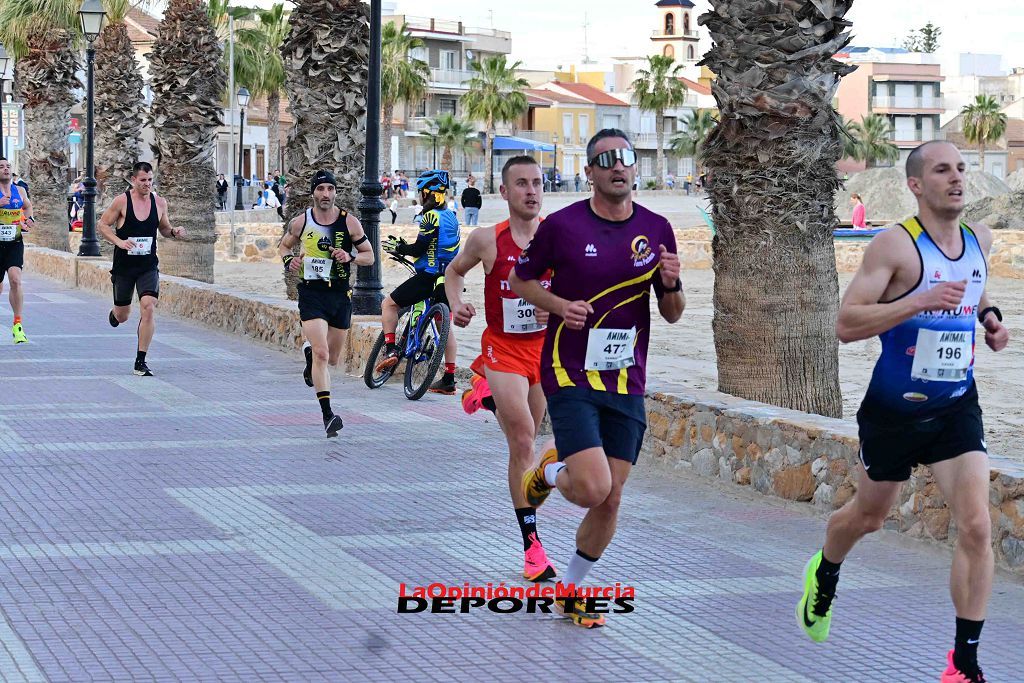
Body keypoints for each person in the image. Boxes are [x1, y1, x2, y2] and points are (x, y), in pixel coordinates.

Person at [796, 141, 1009, 683]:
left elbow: (977, 294)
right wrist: (918, 301)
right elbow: (846, 324)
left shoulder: (980, 240)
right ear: (916, 185)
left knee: (978, 526)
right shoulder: (895, 246)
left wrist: (991, 320)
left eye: (961, 169)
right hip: (893, 410)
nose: (957, 178)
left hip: (956, 406)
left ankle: (963, 663)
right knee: (868, 518)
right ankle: (826, 570)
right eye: (943, 170)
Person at [510, 129, 685, 628]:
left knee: (610, 497)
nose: (618, 166)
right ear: (589, 173)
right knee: (589, 488)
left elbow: (672, 313)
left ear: (635, 168)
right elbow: (522, 280)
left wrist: (670, 283)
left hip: (626, 379)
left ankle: (569, 589)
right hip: (569, 372)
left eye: (626, 158)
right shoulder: (563, 227)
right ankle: (548, 473)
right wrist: (560, 306)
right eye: (605, 160)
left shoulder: (657, 229)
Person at [446, 155, 556, 582]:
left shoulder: (557, 236)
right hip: (503, 350)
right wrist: (457, 304)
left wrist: (558, 310)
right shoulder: (486, 240)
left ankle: (484, 395)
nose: (531, 190)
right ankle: (532, 547)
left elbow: (583, 288)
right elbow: (453, 275)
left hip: (544, 352)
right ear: (504, 192)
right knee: (525, 437)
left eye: (537, 183)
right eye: (522, 184)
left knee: (527, 442)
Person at [280, 170, 374, 437]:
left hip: (340, 295)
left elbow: (370, 257)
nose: (325, 194)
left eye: (330, 189)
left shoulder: (350, 222)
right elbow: (284, 247)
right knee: (322, 353)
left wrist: (350, 256)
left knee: (331, 358)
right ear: (313, 192)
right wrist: (290, 261)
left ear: (335, 192)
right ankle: (328, 415)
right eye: (320, 189)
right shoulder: (301, 222)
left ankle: (309, 355)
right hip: (312, 292)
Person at [375, 169, 461, 394]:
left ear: (427, 193)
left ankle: (392, 350)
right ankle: (449, 378)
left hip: (429, 276)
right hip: (448, 279)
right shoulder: (452, 215)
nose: (420, 196)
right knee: (445, 327)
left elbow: (420, 248)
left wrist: (399, 248)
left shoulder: (430, 217)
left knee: (389, 305)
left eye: (421, 192)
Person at [98, 162, 187, 377]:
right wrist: (119, 242)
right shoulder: (122, 201)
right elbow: (102, 225)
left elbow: (164, 228)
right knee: (123, 315)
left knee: (148, 306)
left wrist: (173, 231)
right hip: (124, 266)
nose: (147, 184)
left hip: (148, 265)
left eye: (150, 180)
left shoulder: (159, 202)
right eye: (143, 180)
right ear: (134, 180)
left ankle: (140, 361)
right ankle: (115, 314)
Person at [0, 158, 34, 344]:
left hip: (14, 242)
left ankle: (17, 325)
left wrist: (29, 220)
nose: (5, 170)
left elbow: (27, 207)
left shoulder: (19, 191)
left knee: (15, 278)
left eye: (8, 167)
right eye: (1, 167)